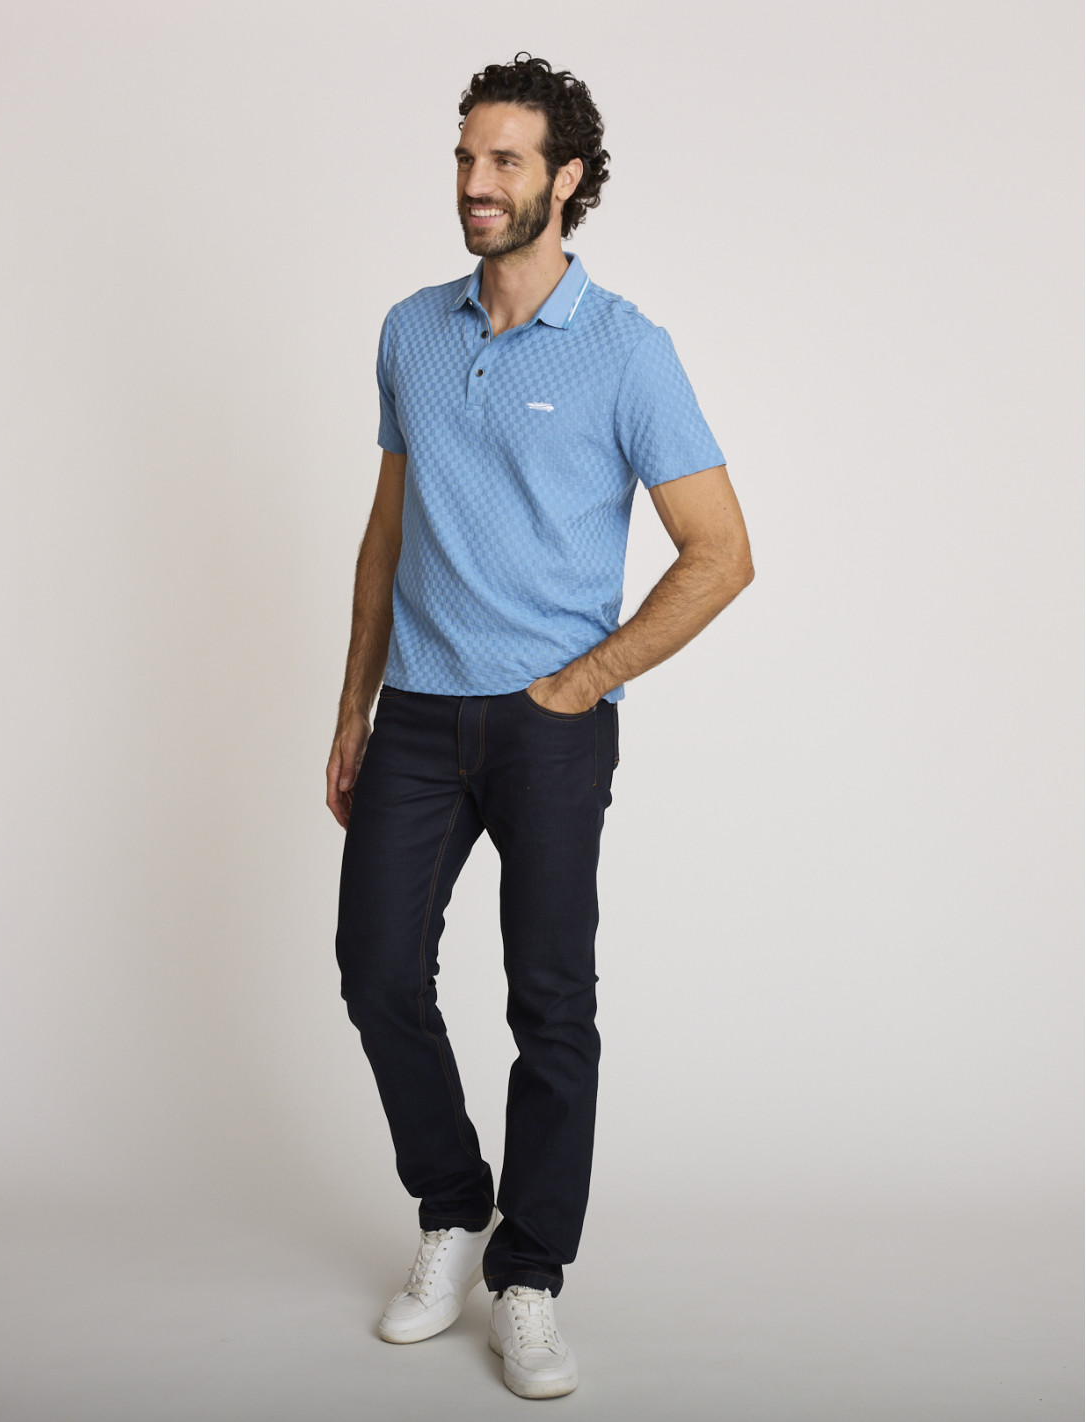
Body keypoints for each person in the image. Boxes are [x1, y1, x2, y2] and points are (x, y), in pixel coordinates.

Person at [326, 51, 754, 1401]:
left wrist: (582, 682)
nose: (476, 181)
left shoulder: (627, 349)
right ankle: (454, 1207)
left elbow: (721, 553)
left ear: (566, 179)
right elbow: (388, 531)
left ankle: (531, 1274)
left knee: (551, 1000)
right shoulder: (411, 330)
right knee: (374, 967)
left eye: (504, 160)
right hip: (416, 711)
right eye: (466, 156)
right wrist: (352, 705)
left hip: (549, 727)